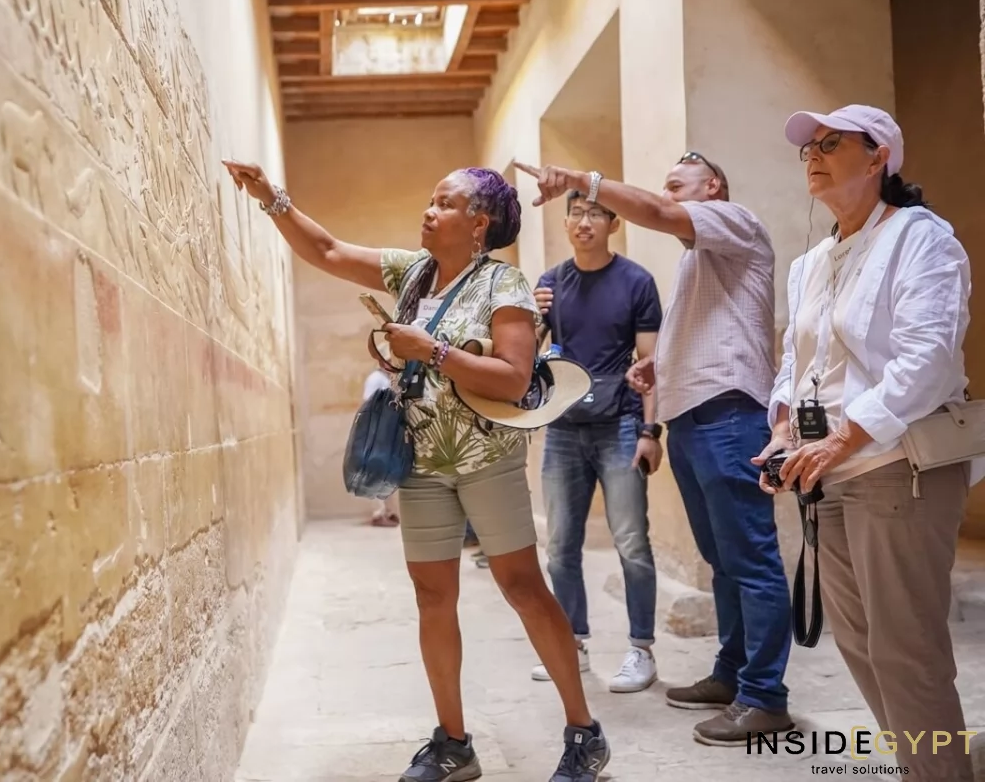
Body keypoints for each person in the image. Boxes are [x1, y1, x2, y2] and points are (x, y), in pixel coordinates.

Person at [222, 160, 612, 782]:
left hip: (486, 458)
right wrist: (273, 197)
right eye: (430, 201)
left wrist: (430, 349)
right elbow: (325, 249)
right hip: (422, 461)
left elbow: (514, 380)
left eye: (444, 203)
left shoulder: (502, 284)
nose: (429, 211)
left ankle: (583, 733)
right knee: (433, 596)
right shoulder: (412, 272)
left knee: (521, 588)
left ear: (477, 223)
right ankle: (454, 743)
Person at [516, 155, 793, 745]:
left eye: (676, 184)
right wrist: (657, 369)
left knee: (752, 560)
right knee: (723, 562)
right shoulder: (697, 259)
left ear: (712, 186)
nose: (666, 195)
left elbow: (663, 213)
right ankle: (731, 675)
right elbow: (705, 329)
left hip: (730, 412)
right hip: (692, 414)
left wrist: (585, 182)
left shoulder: (734, 221)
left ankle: (765, 695)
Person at [757, 105, 974, 782]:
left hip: (898, 464)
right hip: (830, 472)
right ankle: (927, 766)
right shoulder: (812, 261)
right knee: (861, 643)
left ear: (879, 156)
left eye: (831, 143)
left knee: (907, 648)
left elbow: (930, 358)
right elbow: (799, 363)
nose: (813, 156)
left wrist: (844, 435)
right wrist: (784, 432)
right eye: (808, 148)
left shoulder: (920, 238)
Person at [530, 193, 663, 693]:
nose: (584, 223)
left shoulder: (636, 282)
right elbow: (526, 353)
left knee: (632, 542)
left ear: (613, 223)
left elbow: (651, 368)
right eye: (576, 215)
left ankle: (641, 649)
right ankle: (572, 645)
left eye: (595, 215)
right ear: (565, 223)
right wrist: (529, 313)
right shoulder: (549, 283)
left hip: (621, 425)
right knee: (561, 545)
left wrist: (652, 431)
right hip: (563, 426)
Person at [363, 367, 401, 527]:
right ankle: (378, 513)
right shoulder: (375, 378)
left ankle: (388, 511)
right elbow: (369, 402)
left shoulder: (387, 378)